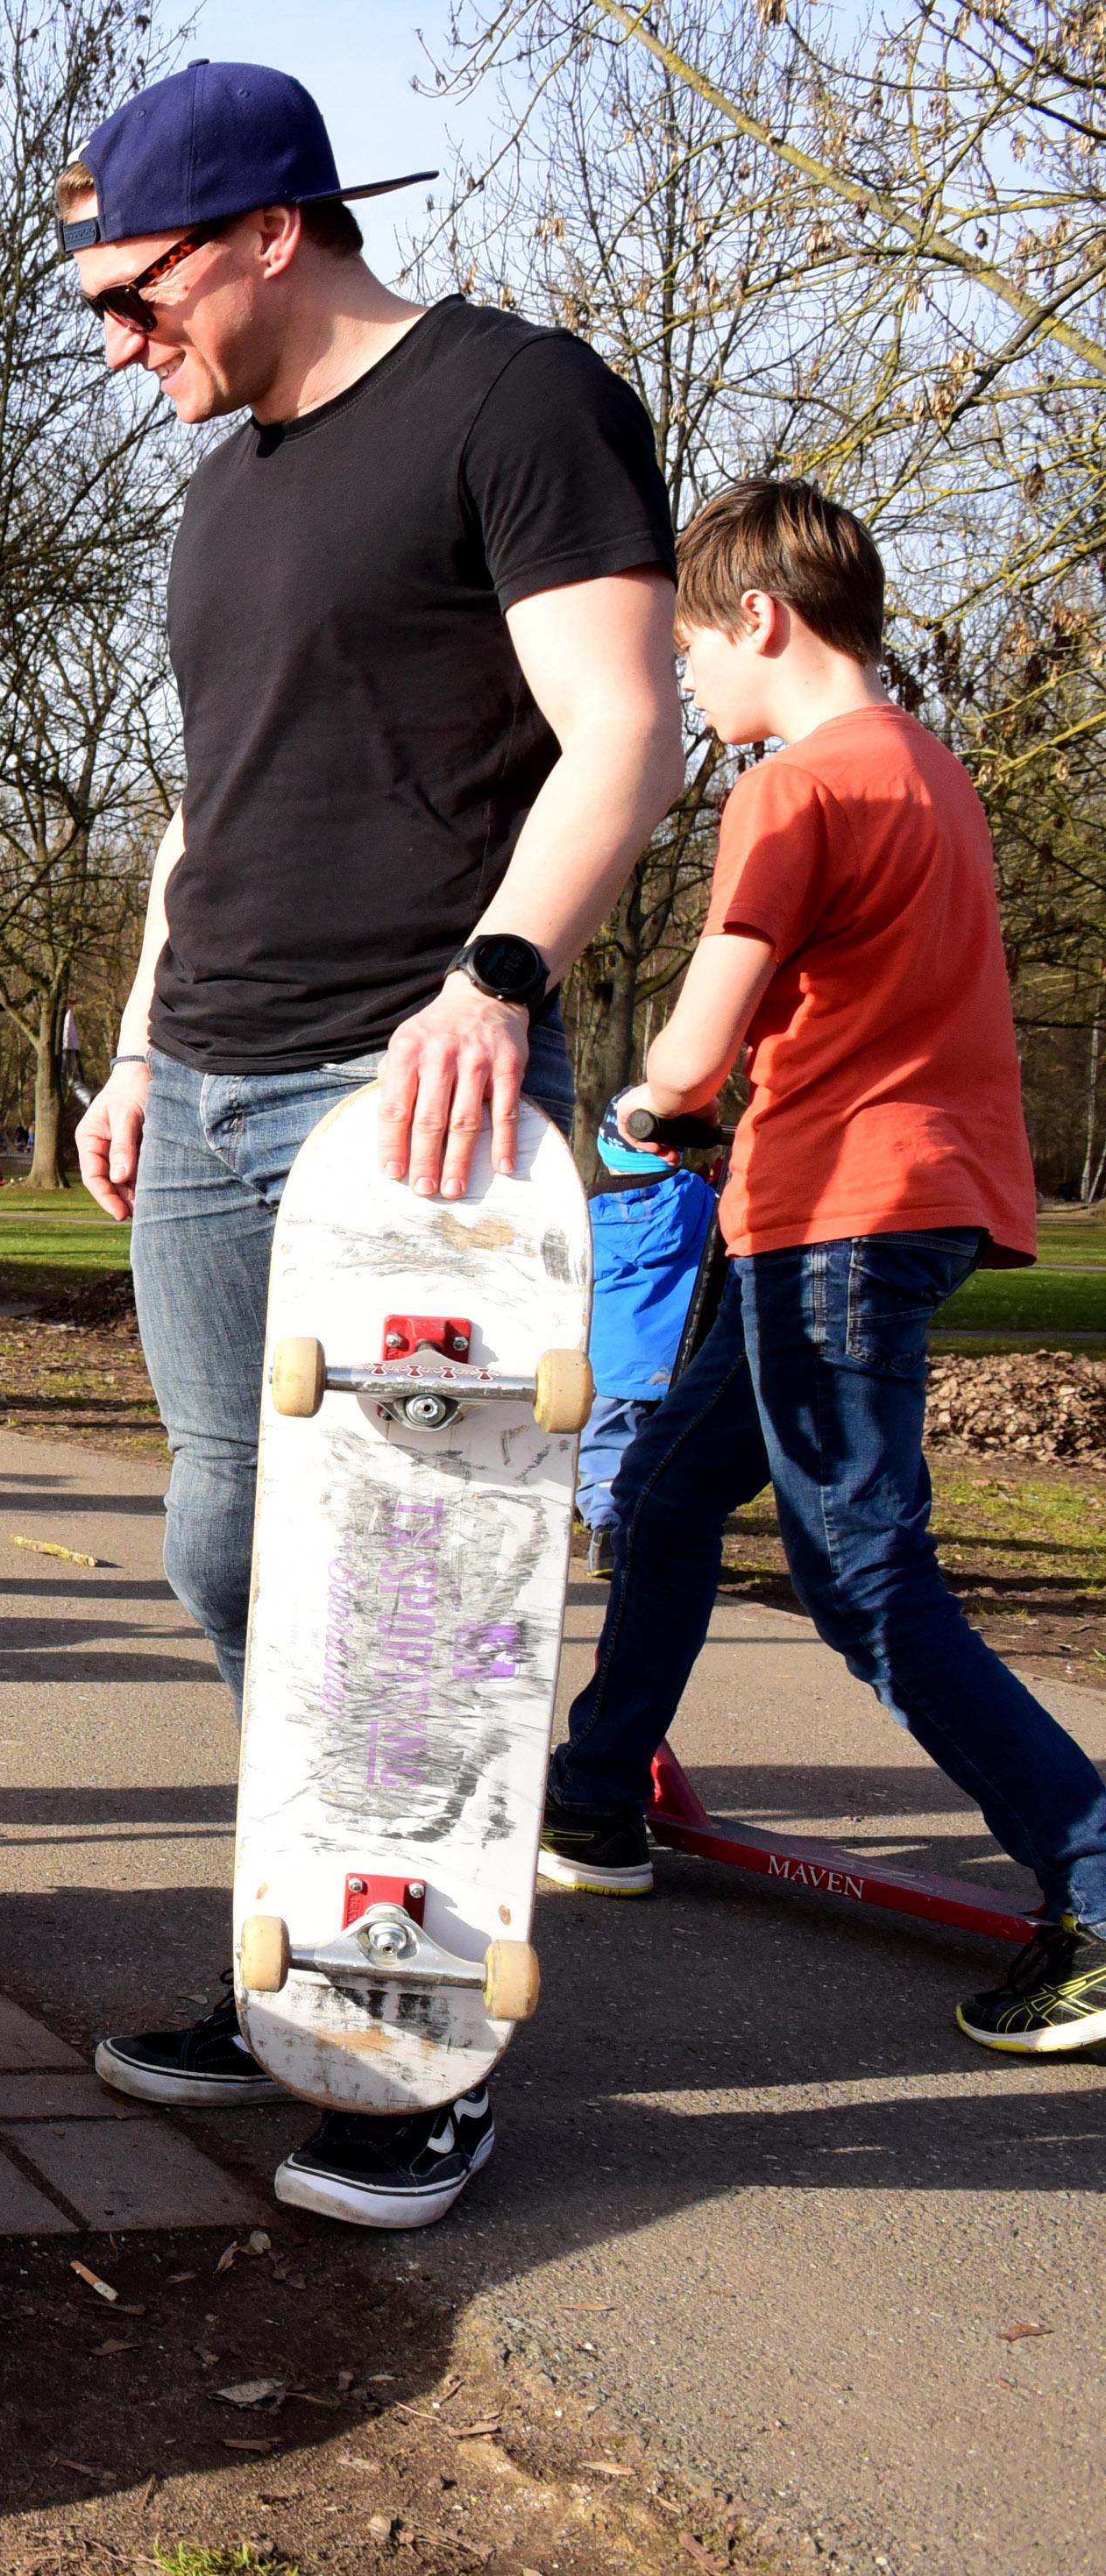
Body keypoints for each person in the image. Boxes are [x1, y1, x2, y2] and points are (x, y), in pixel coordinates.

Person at [58, 60, 686, 2227]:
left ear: (262, 231)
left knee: (400, 1592)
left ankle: (416, 2049)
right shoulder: (215, 495)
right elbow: (199, 809)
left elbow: (624, 728)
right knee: (230, 1554)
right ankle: (304, 1971)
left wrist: (494, 982)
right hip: (215, 1082)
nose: (119, 346)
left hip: (408, 1079)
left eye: (133, 300)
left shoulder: (512, 404)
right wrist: (138, 1045)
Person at [537, 477, 1106, 2054]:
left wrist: (649, 1104)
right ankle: (593, 1800)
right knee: (658, 1499)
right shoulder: (932, 770)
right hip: (877, 1204)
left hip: (837, 1217)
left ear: (762, 621)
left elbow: (700, 1036)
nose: (683, 689)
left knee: (861, 1577)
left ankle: (1099, 1885)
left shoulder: (791, 789)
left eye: (689, 655)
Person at [577, 1113, 718, 1561]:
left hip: (610, 1364)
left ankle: (607, 1528)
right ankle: (665, 1538)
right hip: (683, 1360)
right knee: (675, 1453)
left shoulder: (584, 1213)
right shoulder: (701, 1199)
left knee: (605, 1451)